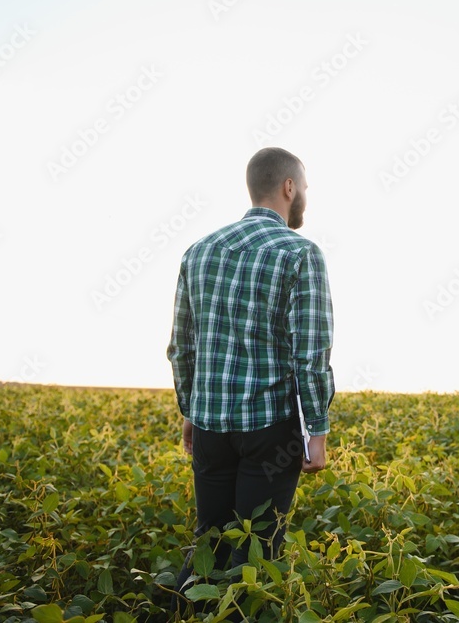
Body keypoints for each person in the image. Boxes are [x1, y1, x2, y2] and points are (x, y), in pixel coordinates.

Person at [165, 147, 335, 617]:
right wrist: (316, 433)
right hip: (269, 432)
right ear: (288, 187)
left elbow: (182, 346)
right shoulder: (300, 253)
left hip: (211, 430)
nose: (304, 197)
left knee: (210, 543)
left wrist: (190, 413)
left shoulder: (199, 251)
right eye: (304, 187)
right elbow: (311, 353)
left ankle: (181, 613)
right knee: (256, 553)